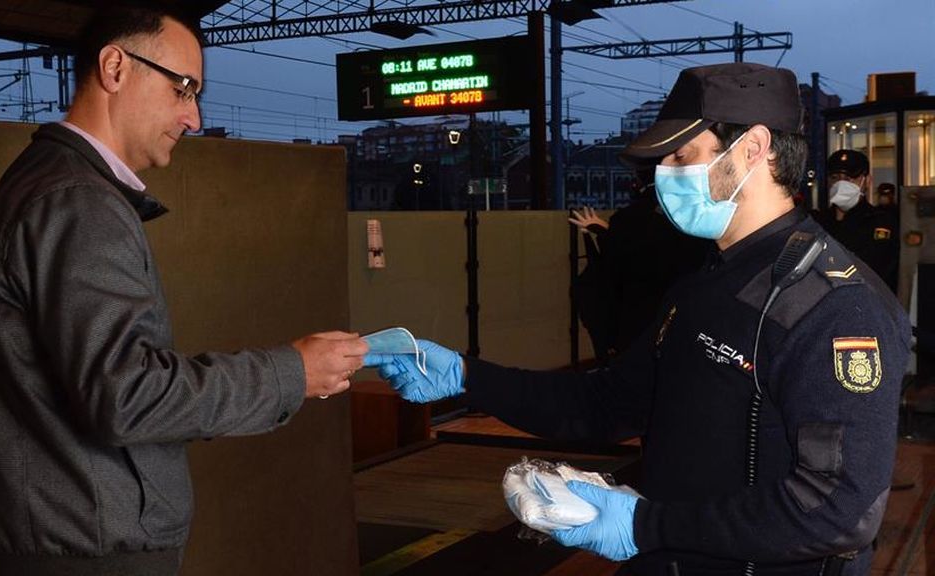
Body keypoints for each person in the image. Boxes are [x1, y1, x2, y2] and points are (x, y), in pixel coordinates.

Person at [367, 63, 910, 575]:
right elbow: (608, 404)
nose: (664, 175)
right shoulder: (705, 282)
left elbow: (838, 509)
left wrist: (643, 523)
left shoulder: (834, 306)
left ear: (754, 148)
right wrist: (468, 376)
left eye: (681, 156)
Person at [0, 7, 367, 576]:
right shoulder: (78, 201)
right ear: (116, 67)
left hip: (60, 535)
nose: (193, 117)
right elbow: (126, 395)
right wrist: (290, 372)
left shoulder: (48, 182)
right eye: (183, 89)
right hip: (84, 550)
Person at [569, 173, 709, 361]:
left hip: (633, 321)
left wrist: (606, 233)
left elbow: (620, 263)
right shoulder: (692, 219)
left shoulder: (625, 220)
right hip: (681, 318)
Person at [816, 150, 899, 291]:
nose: (840, 184)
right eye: (835, 177)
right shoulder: (818, 221)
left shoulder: (880, 222)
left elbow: (881, 269)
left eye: (849, 178)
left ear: (867, 181)